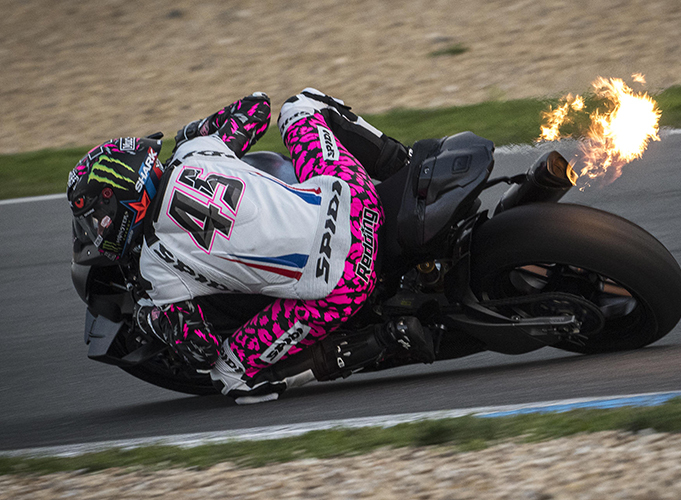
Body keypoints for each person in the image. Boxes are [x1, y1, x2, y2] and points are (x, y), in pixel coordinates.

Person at [68, 89, 435, 403]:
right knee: (300, 105)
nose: (95, 229)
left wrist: (151, 317)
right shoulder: (194, 153)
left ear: (117, 198)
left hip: (345, 282)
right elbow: (257, 107)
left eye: (95, 216)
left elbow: (201, 349)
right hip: (354, 199)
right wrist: (194, 131)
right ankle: (408, 168)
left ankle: (387, 338)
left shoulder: (154, 265)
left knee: (229, 376)